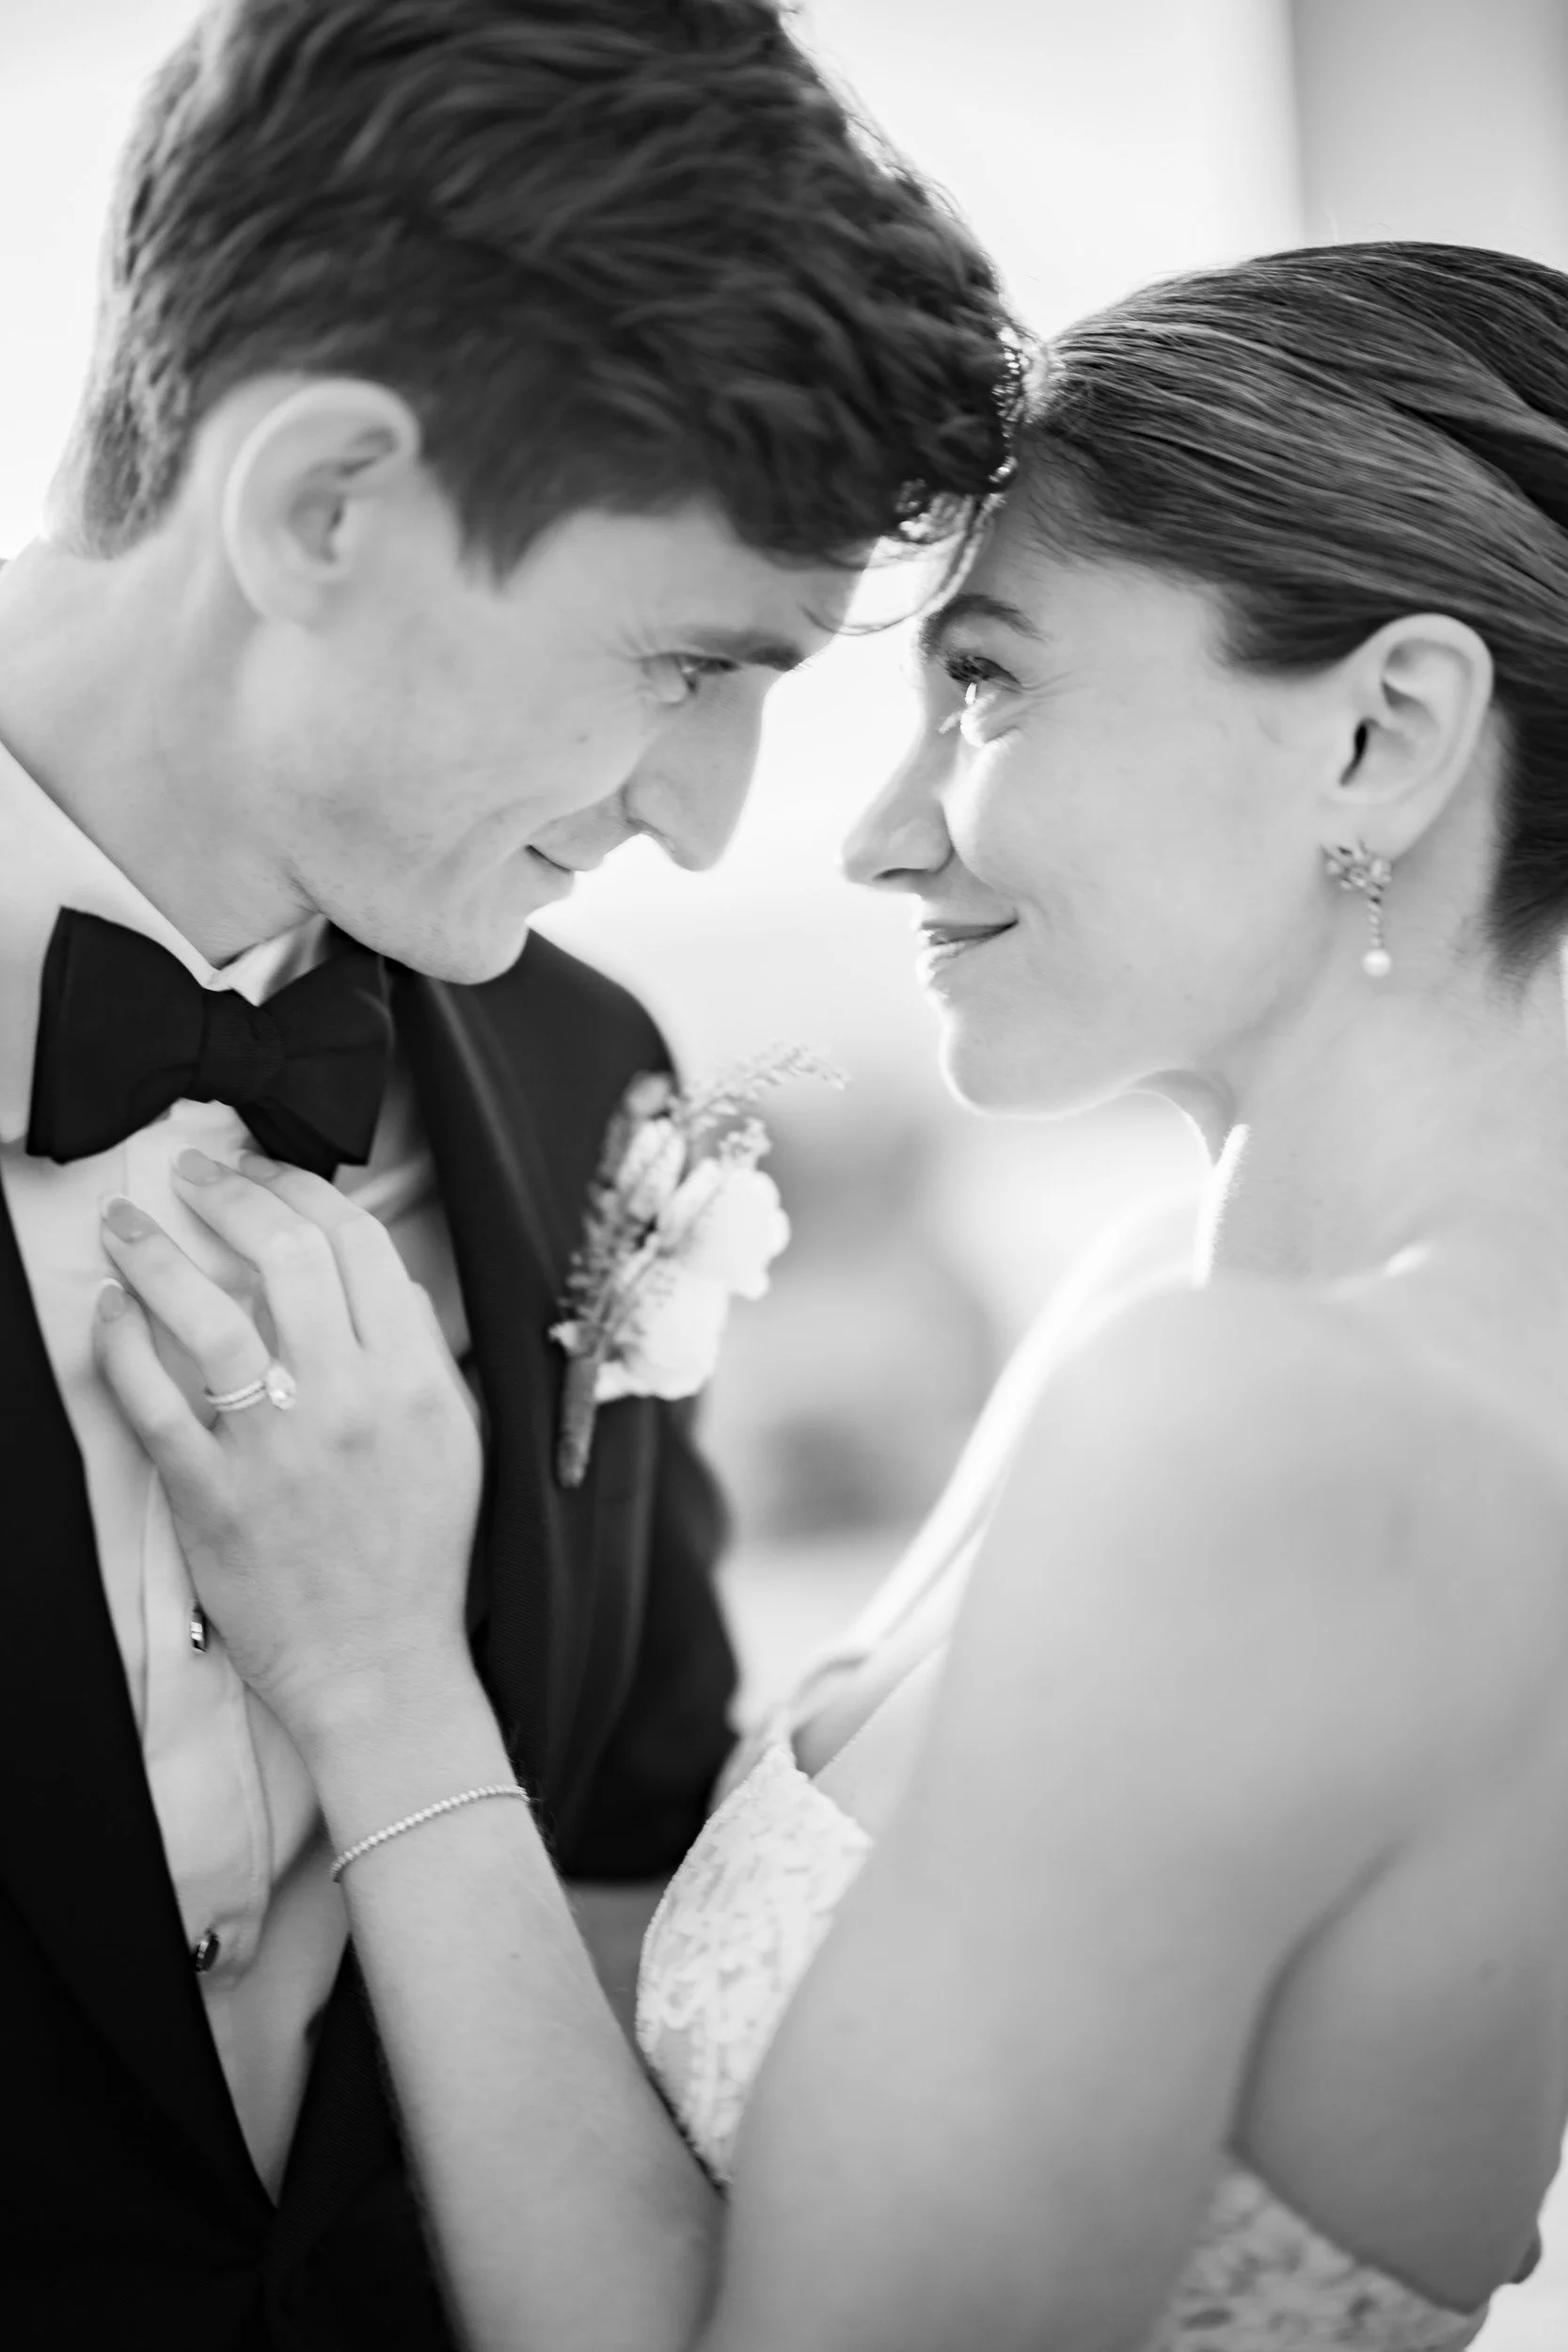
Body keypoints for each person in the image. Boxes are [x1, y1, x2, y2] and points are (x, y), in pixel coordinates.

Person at [95, 236, 1568, 2352]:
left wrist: (378, 1673)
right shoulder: (1165, 1296)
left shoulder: (1270, 1435)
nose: (874, 836)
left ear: (1380, 738)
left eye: (984, 680)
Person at [0, 3, 1018, 2343]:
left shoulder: (585, 1083)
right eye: (682, 662)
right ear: (321, 502)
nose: (707, 812)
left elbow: (630, 1854)